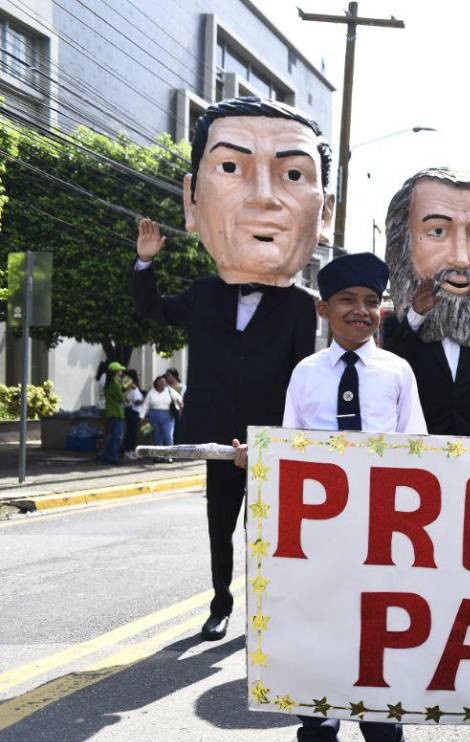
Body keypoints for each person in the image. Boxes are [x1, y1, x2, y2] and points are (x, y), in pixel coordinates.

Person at [131, 96, 332, 642]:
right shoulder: (203, 294)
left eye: (293, 174)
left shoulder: (301, 306)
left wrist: (289, 436)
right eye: (229, 167)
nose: (264, 197)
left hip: (271, 439)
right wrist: (145, 262)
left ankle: (264, 613)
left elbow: (302, 375)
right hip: (219, 434)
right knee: (220, 527)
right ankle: (220, 604)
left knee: (268, 534)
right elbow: (152, 310)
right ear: (193, 201)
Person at [235, 252, 427, 742]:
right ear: (324, 309)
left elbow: (418, 449)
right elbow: (288, 446)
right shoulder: (305, 373)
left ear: (381, 312)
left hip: (381, 531)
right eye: (347, 300)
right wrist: (258, 457)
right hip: (317, 534)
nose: (360, 311)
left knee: (377, 636)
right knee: (314, 632)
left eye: (371, 302)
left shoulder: (397, 372)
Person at [381, 168, 470, 437]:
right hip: (419, 446)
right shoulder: (398, 328)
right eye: (437, 231)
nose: (461, 259)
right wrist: (417, 313)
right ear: (402, 243)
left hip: (469, 447)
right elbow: (395, 365)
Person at [141, 375, 181, 447]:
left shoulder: (169, 390)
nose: (162, 383)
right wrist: (142, 416)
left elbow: (179, 398)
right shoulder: (151, 392)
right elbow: (145, 405)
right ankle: (158, 453)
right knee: (157, 436)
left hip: (167, 415)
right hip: (154, 415)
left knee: (167, 435)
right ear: (156, 383)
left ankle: (169, 452)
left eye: (164, 382)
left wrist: (179, 404)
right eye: (160, 381)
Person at [100, 361, 126, 464]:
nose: (121, 372)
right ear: (116, 371)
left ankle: (106, 456)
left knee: (111, 436)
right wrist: (126, 393)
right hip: (116, 412)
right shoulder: (114, 384)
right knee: (116, 437)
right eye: (120, 370)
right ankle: (113, 457)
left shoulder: (111, 383)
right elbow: (121, 398)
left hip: (111, 412)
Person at [123, 369, 144, 459]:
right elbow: (136, 401)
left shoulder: (128, 386)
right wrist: (143, 400)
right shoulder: (133, 386)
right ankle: (129, 451)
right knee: (132, 433)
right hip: (133, 411)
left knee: (131, 432)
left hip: (132, 410)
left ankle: (130, 450)